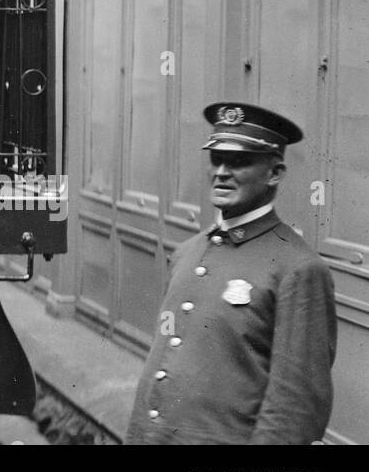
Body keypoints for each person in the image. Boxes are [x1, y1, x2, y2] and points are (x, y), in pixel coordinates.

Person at [126, 103, 337, 445]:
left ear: (274, 174)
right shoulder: (188, 252)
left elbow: (295, 410)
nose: (222, 172)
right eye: (216, 160)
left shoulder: (298, 269)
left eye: (239, 162)